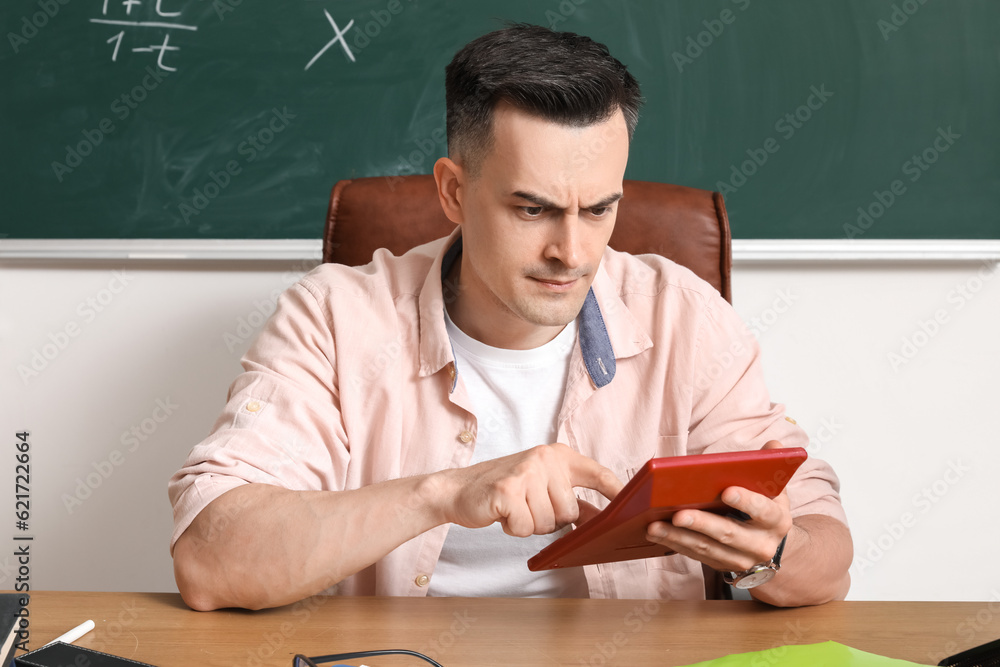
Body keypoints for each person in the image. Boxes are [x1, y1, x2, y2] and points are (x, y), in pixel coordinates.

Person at [169, 24, 852, 611]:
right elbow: (211, 557)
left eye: (599, 209)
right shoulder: (335, 318)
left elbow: (827, 548)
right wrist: (443, 493)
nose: (573, 253)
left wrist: (772, 551)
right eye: (533, 209)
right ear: (454, 192)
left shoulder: (684, 317)